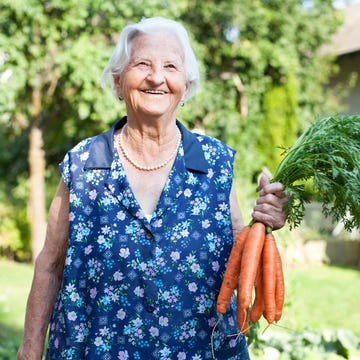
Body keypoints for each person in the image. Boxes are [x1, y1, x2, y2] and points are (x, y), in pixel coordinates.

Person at [18, 17, 288, 360]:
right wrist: (28, 350)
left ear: (185, 86)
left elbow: (238, 252)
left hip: (198, 350)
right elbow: (49, 265)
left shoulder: (214, 162)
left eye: (171, 66)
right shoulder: (85, 163)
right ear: (118, 81)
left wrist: (264, 224)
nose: (156, 77)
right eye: (142, 63)